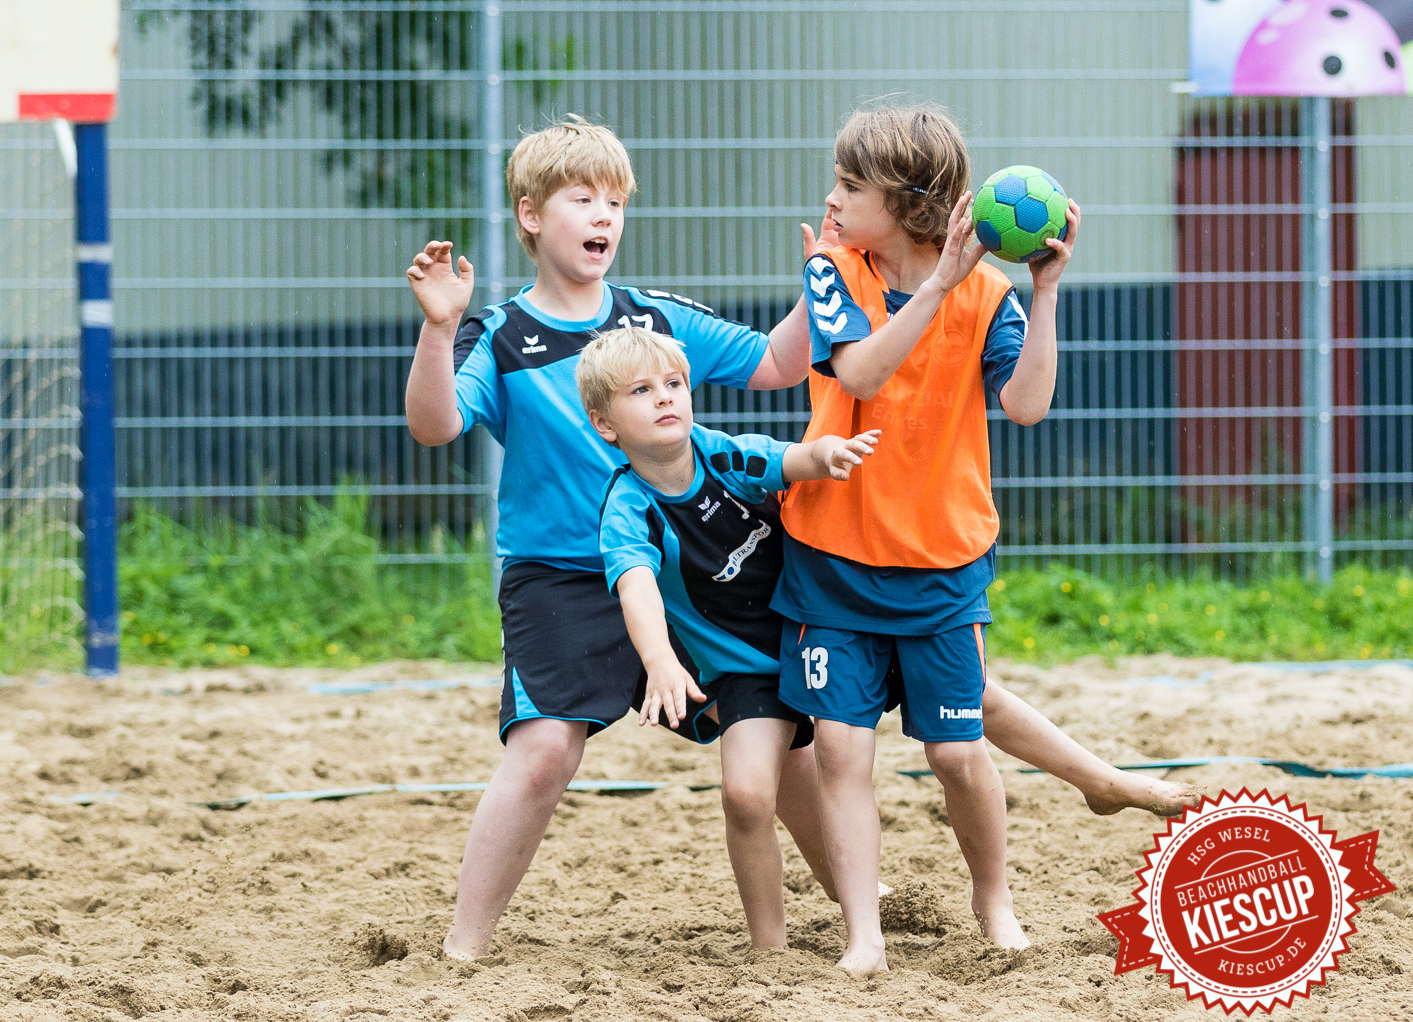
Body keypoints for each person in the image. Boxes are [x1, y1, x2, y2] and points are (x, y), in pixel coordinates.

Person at [772, 104, 1198, 973]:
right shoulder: (832, 269)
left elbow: (1027, 405)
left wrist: (1043, 292)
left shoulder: (989, 293)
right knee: (843, 747)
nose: (833, 195)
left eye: (853, 185)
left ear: (908, 202)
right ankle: (864, 932)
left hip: (942, 555)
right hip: (833, 554)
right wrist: (933, 287)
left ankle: (992, 898)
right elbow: (858, 370)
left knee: (958, 750)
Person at [402, 115, 838, 961]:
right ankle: (462, 949)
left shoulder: (650, 322)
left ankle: (861, 897)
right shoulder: (497, 334)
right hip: (560, 578)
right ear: (531, 215)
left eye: (615, 201)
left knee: (781, 750)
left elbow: (779, 362)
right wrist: (433, 325)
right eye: (581, 199)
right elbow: (434, 425)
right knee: (542, 754)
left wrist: (823, 278)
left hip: (680, 573)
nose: (603, 215)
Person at [580, 326, 878, 949]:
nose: (666, 398)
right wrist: (658, 661)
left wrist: (824, 456)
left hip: (820, 632)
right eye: (642, 390)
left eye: (675, 384)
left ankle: (864, 898)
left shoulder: (719, 455)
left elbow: (786, 459)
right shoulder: (627, 508)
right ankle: (770, 949)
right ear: (606, 425)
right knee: (747, 795)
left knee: (968, 704)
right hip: (748, 671)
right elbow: (635, 586)